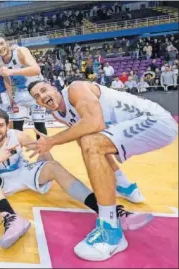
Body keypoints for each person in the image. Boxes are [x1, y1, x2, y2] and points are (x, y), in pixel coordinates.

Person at [27, 80, 178, 261]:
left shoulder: (75, 90)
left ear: (53, 87)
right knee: (89, 142)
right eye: (37, 96)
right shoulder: (58, 114)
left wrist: (51, 141)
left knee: (92, 143)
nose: (42, 96)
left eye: (44, 90)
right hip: (127, 127)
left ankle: (110, 230)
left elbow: (94, 123)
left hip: (154, 120)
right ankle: (125, 186)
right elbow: (83, 135)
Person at [0, 109, 153, 249]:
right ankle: (12, 218)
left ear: (8, 125)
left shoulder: (18, 136)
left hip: (23, 172)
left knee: (55, 167)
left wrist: (52, 172)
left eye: (0, 125)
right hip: (3, 181)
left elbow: (41, 151)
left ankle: (109, 212)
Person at [0, 33, 47, 139]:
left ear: (7, 43)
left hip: (36, 91)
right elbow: (6, 78)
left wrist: (11, 72)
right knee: (16, 127)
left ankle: (43, 154)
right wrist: (11, 96)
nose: (0, 47)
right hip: (20, 92)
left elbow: (36, 70)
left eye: (2, 43)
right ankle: (18, 152)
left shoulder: (20, 51)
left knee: (39, 124)